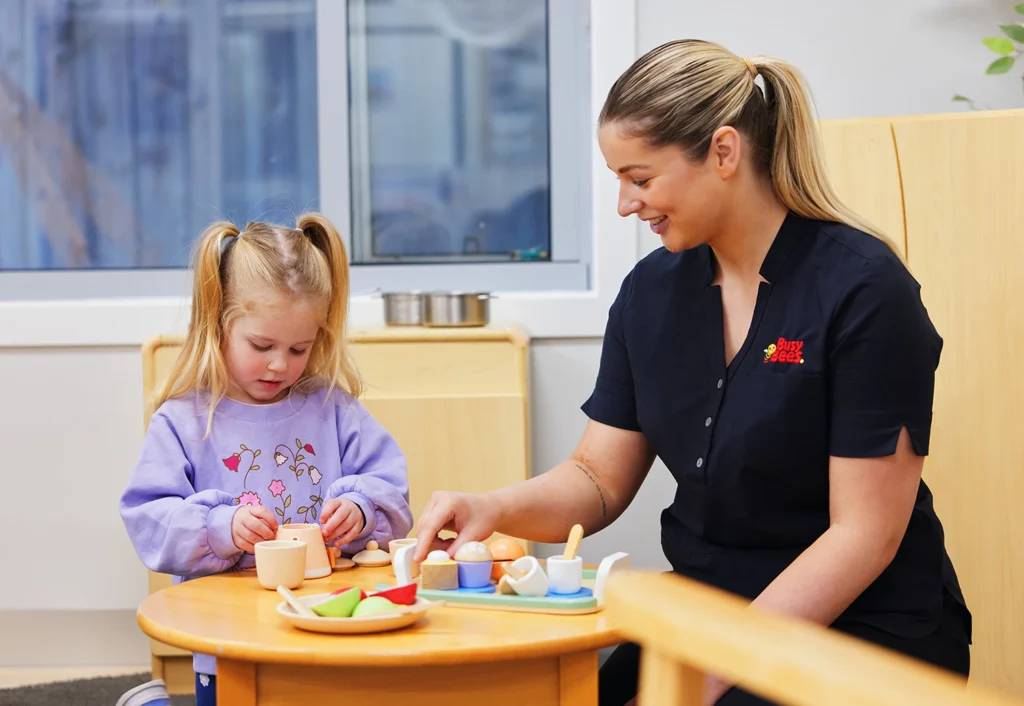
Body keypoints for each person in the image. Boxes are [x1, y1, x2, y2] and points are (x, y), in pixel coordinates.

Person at [413, 39, 971, 706]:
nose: (625, 204)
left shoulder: (864, 290)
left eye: (640, 178)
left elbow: (865, 536)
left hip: (861, 629)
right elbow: (597, 478)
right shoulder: (649, 294)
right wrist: (494, 508)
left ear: (725, 153)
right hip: (710, 614)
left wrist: (716, 668)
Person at [119, 213, 414, 706]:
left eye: (299, 348)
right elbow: (148, 517)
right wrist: (219, 527)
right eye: (262, 345)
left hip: (327, 623)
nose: (281, 364)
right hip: (228, 633)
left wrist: (362, 509)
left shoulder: (332, 408)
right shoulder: (184, 420)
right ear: (219, 324)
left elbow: (391, 487)